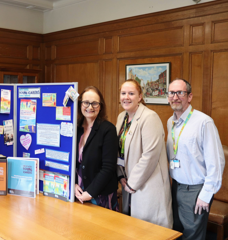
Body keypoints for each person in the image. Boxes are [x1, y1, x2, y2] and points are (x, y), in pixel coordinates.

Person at [167, 79, 225, 239]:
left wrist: (206, 194)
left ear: (189, 96)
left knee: (193, 236)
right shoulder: (170, 122)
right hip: (175, 185)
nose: (175, 97)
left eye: (180, 93)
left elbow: (217, 162)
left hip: (195, 189)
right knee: (177, 230)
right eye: (172, 93)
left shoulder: (204, 122)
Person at [116, 79, 172, 228]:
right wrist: (121, 175)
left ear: (140, 96)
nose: (126, 97)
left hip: (147, 183)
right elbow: (119, 150)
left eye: (131, 93)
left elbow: (150, 155)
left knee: (149, 230)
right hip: (127, 181)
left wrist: (132, 183)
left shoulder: (149, 117)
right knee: (133, 229)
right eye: (123, 93)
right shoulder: (122, 117)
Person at [75, 86, 119, 211]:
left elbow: (108, 167)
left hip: (100, 195)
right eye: (86, 103)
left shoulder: (108, 129)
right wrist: (73, 184)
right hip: (78, 193)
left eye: (94, 103)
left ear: (101, 106)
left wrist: (89, 193)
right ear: (80, 104)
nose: (90, 107)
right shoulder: (75, 127)